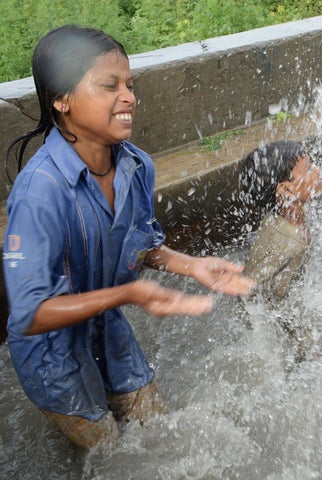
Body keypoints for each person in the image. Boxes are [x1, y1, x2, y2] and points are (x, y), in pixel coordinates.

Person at [3, 25, 255, 450]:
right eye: (109, 85)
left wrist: (191, 265)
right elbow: (30, 315)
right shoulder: (39, 192)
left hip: (110, 331)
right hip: (53, 356)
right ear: (61, 100)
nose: (129, 97)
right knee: (105, 451)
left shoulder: (136, 165)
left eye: (130, 85)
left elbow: (140, 243)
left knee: (153, 442)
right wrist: (127, 295)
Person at [239, 141, 322, 302]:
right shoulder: (288, 242)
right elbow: (247, 290)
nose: (318, 170)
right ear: (286, 190)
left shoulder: (283, 221)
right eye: (308, 169)